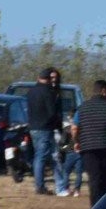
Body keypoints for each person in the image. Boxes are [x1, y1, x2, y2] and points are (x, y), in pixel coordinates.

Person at [71, 79, 106, 205]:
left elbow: (74, 128)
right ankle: (105, 206)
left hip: (88, 147)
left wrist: (76, 141)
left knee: (94, 179)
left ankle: (94, 207)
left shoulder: (82, 107)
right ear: (104, 91)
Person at [25, 67, 65, 195]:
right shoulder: (47, 92)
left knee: (39, 155)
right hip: (45, 128)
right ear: (48, 79)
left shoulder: (30, 92)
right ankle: (40, 186)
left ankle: (43, 184)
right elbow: (52, 112)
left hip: (33, 128)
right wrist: (57, 125)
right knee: (41, 157)